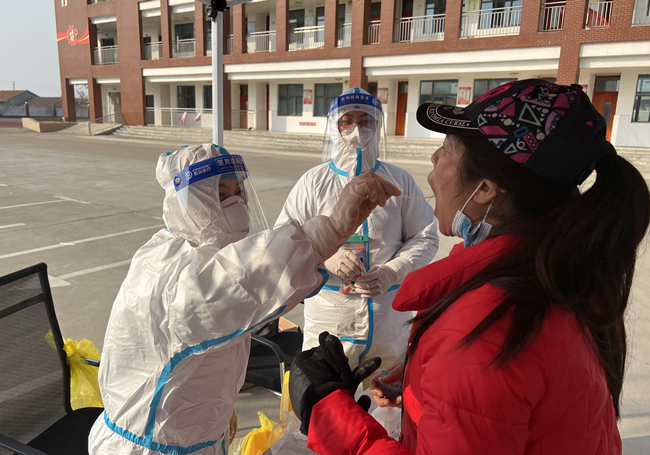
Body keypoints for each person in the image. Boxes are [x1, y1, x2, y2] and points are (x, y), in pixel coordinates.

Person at [289, 79, 650, 454]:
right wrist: (424, 382)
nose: (434, 158)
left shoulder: (484, 332)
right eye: (348, 121)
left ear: (485, 190)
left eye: (447, 148)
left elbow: (481, 373)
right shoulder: (554, 275)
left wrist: (328, 413)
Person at [87, 143, 400, 454]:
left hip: (192, 438)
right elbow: (246, 280)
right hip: (148, 447)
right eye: (221, 195)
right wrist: (327, 231)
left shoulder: (194, 253)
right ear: (188, 203)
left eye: (239, 192)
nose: (236, 203)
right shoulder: (175, 273)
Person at [275, 88, 438, 370]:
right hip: (329, 319)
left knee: (384, 393)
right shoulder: (313, 182)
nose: (356, 130)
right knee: (326, 390)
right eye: (347, 122)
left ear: (378, 125)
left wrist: (393, 270)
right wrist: (324, 257)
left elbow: (425, 237)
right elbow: (283, 242)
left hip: (388, 321)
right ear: (334, 127)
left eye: (365, 121)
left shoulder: (399, 181)